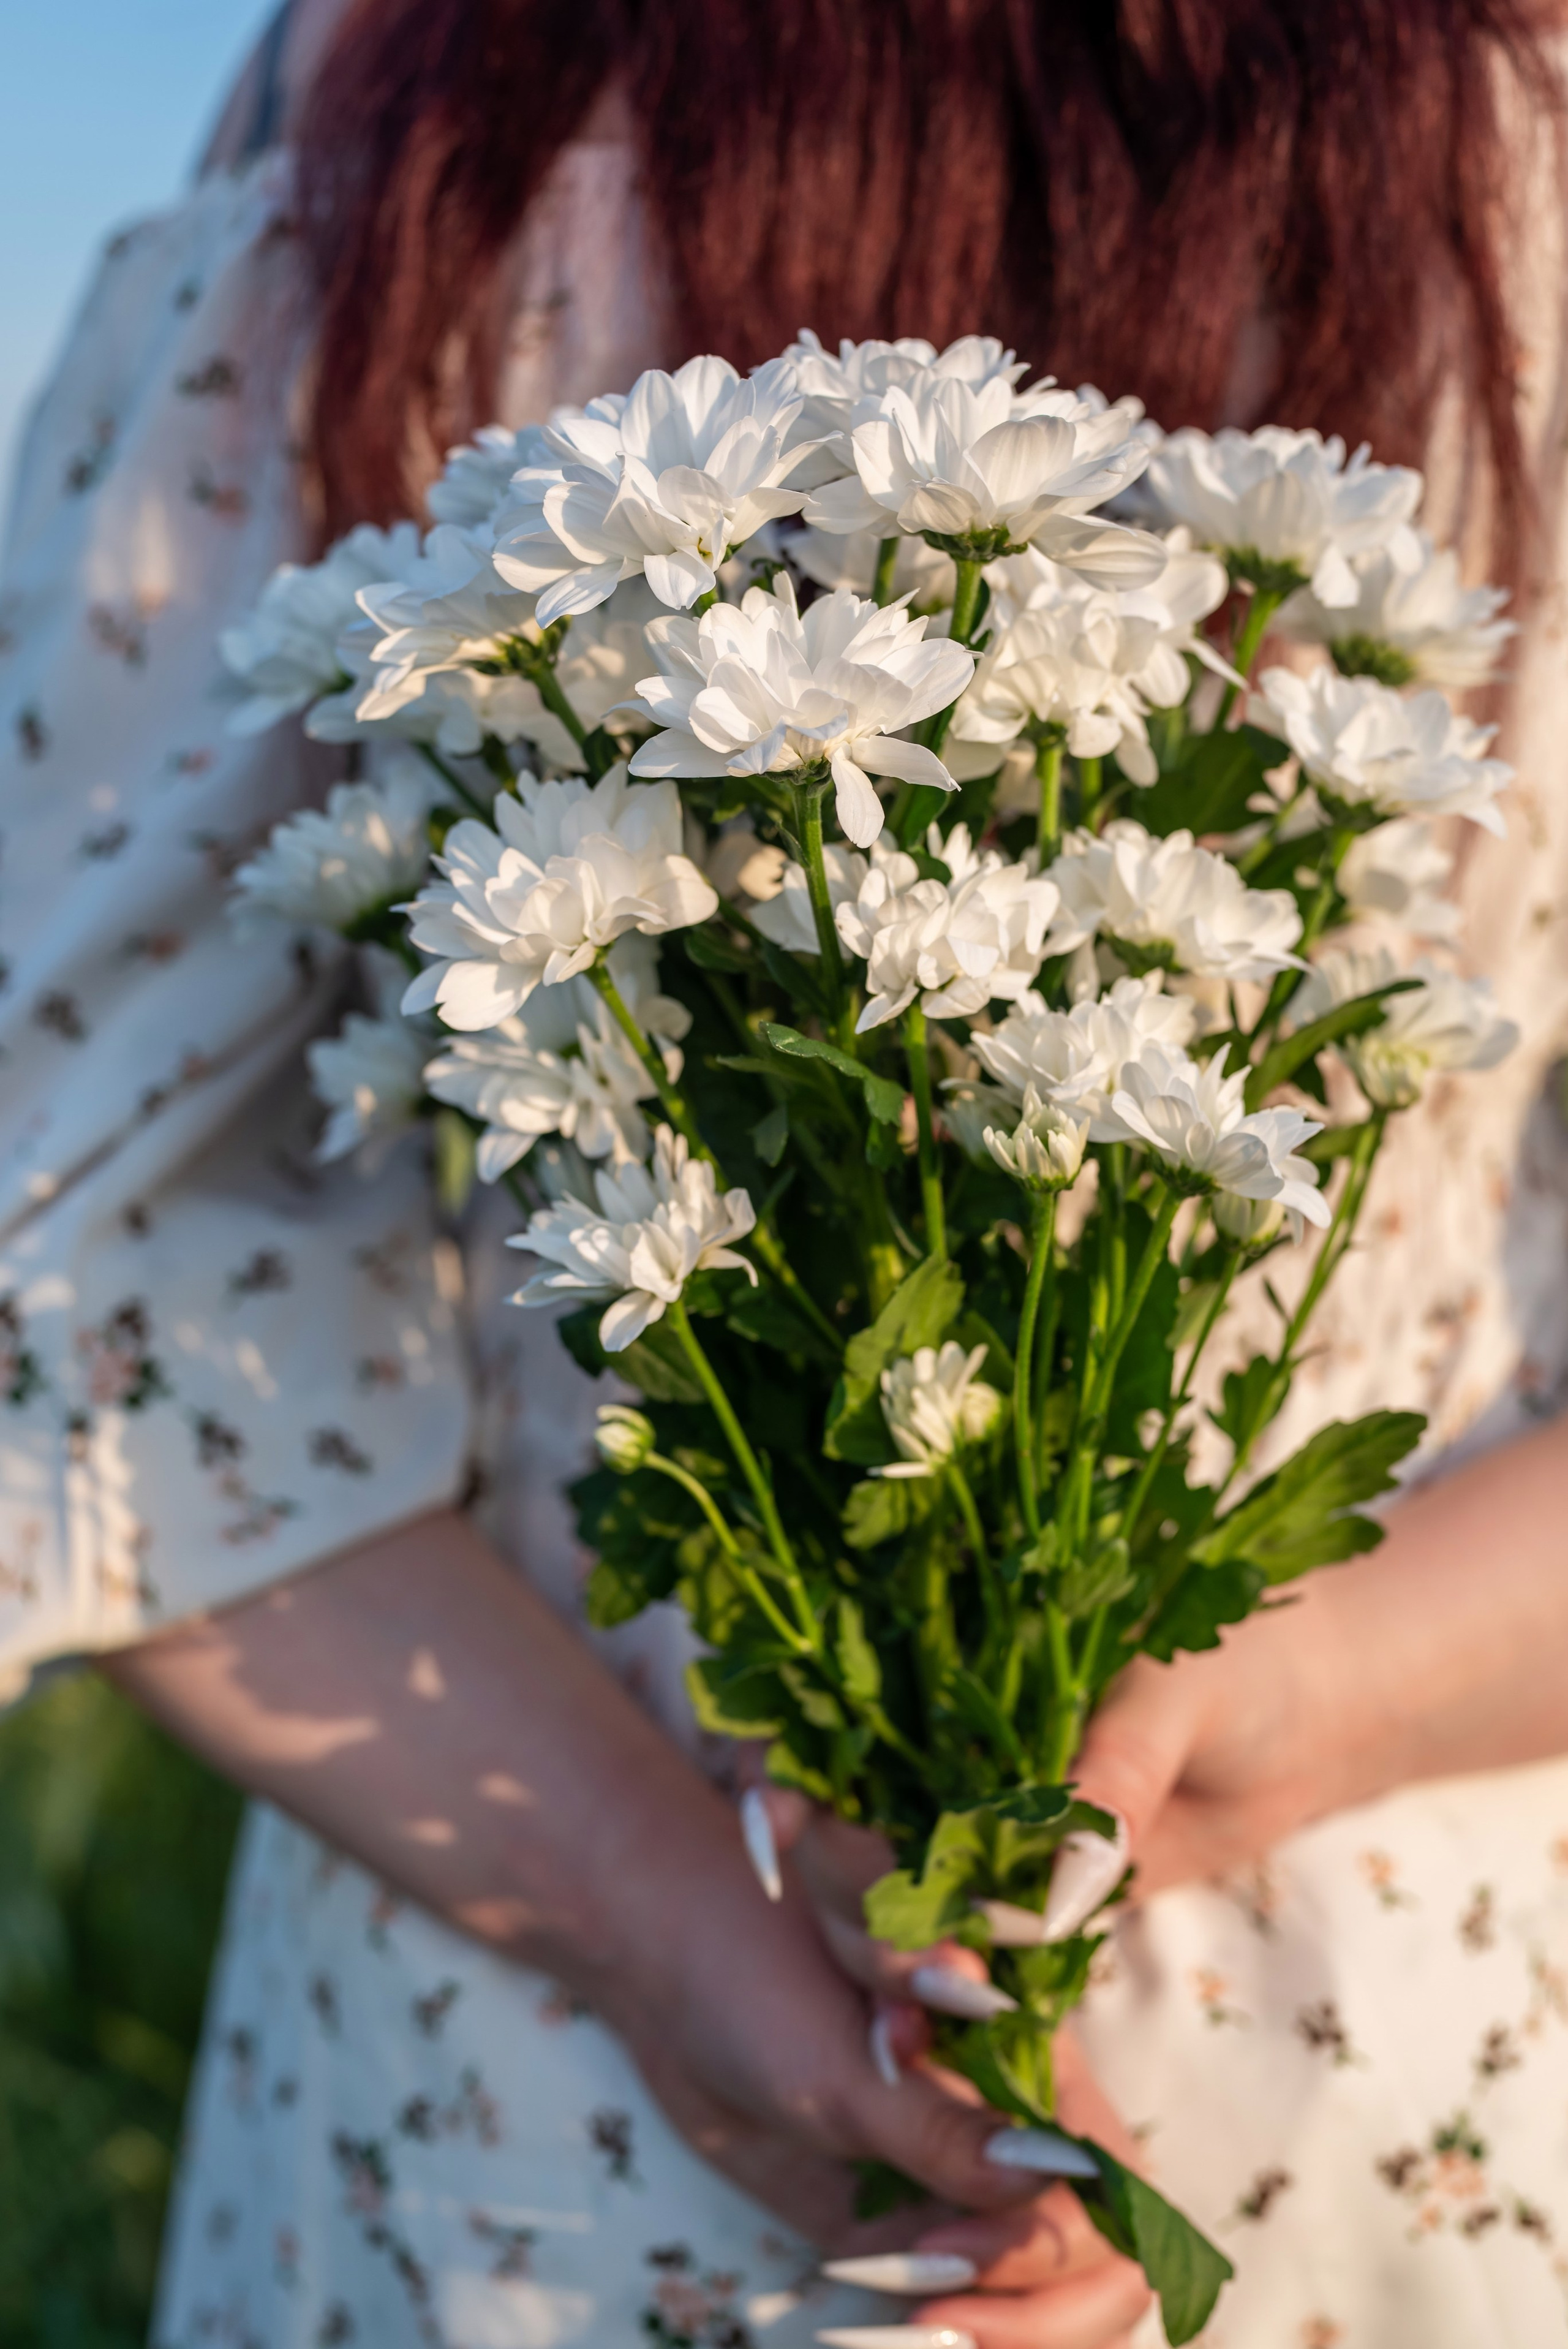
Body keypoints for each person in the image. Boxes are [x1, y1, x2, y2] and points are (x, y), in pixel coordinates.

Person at [1, 2, 1565, 2345]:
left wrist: (670, 1920)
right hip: (1386, 2019)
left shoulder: (413, 85)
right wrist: (1265, 1697)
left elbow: (72, 1225)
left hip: (526, 2068)